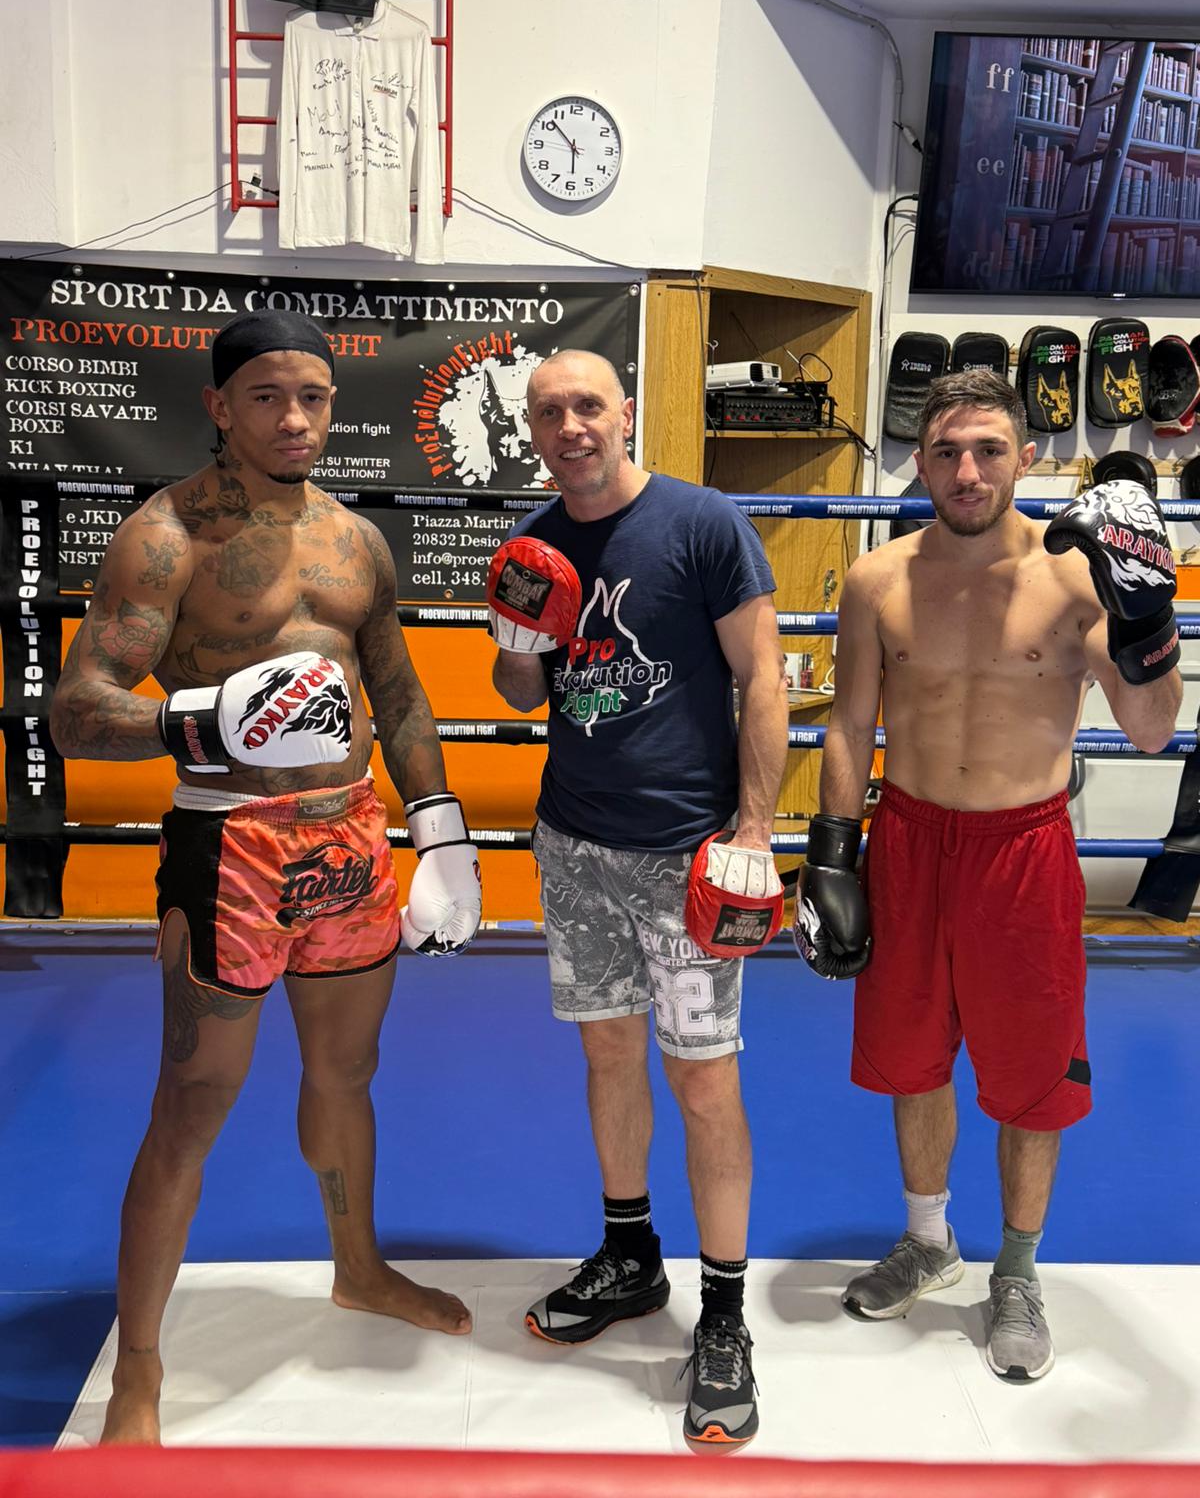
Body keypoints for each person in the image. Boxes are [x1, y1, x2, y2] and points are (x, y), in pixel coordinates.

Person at [49, 311, 482, 1445]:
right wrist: (197, 722)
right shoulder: (165, 538)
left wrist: (439, 829)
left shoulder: (357, 541)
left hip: (350, 839)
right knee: (194, 1101)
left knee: (349, 1072)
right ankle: (140, 1367)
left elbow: (397, 691)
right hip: (230, 843)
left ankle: (359, 1269)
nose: (295, 418)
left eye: (313, 397)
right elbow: (76, 708)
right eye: (267, 397)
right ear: (219, 406)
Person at [796, 368, 1182, 1381]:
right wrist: (832, 851)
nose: (967, 472)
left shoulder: (1076, 580)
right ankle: (929, 1240)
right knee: (909, 1057)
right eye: (947, 453)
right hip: (909, 841)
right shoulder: (878, 579)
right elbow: (850, 724)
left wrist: (1150, 620)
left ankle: (1016, 1269)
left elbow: (1152, 730)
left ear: (1026, 456)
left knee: (1033, 1077)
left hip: (1024, 850)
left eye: (989, 450)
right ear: (921, 463)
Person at [486, 350, 788, 1447]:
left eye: (586, 406)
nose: (568, 426)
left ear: (624, 414)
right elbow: (521, 694)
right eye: (546, 412)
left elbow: (763, 677)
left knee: (704, 1080)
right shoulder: (531, 545)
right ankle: (630, 1254)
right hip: (574, 845)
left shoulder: (702, 523)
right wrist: (520, 643)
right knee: (608, 1055)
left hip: (683, 854)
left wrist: (754, 832)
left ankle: (725, 1314)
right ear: (531, 430)